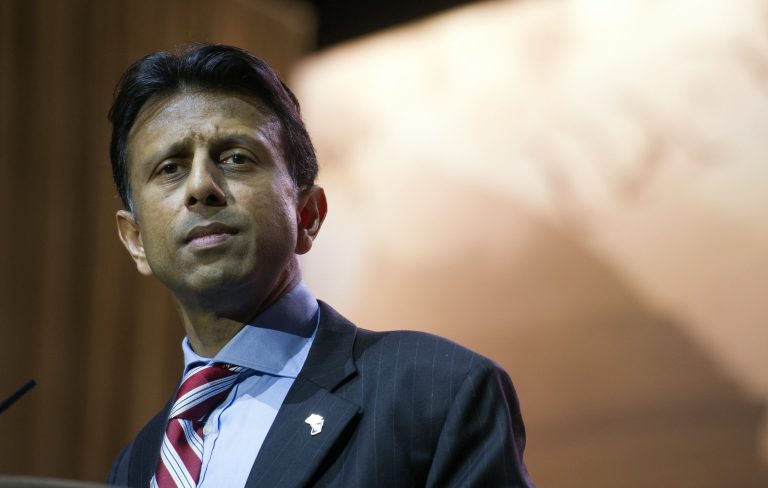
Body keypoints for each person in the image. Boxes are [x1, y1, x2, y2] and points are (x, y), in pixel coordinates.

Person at [106, 43, 535, 488]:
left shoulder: (437, 391)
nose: (200, 187)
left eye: (235, 158)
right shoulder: (134, 466)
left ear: (307, 216)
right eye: (170, 168)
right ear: (136, 240)